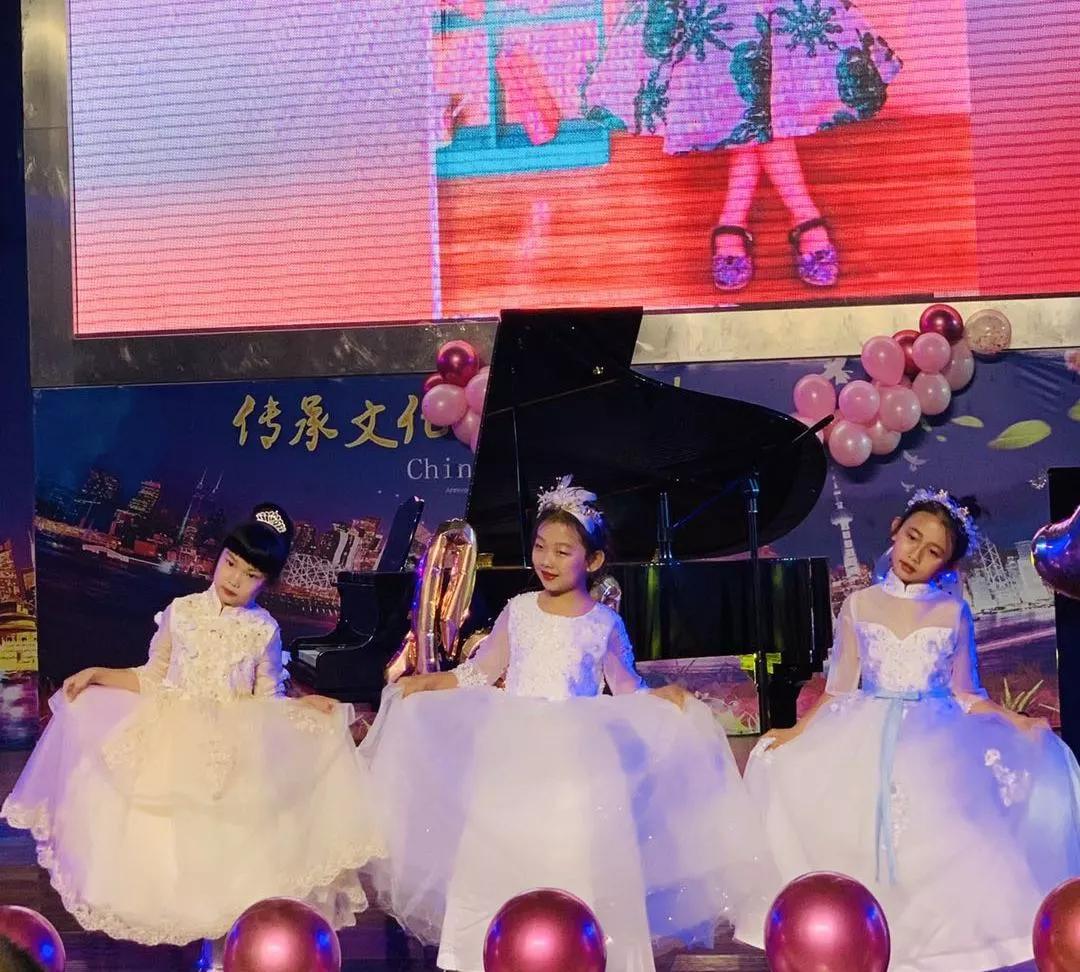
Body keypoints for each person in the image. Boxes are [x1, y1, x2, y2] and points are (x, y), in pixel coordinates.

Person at [360, 476, 766, 971]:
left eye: (563, 551)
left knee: (574, 849)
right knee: (497, 846)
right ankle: (483, 951)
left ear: (592, 561)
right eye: (540, 546)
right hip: (513, 749)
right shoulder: (519, 610)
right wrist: (431, 682)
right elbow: (481, 671)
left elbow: (626, 687)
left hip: (579, 757)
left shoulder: (604, 623)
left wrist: (659, 697)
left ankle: (580, 949)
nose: (547, 560)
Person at [1, 504, 382, 969]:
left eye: (252, 575)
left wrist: (303, 707)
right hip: (172, 745)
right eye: (231, 564)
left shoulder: (263, 629)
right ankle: (195, 951)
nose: (235, 579)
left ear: (267, 583)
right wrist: (98, 673)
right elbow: (152, 675)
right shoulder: (181, 612)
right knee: (170, 850)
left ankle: (224, 956)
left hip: (233, 755)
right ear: (218, 558)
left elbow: (268, 699)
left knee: (232, 859)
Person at [741, 488, 1080, 970]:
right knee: (850, 829)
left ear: (945, 565)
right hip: (863, 731)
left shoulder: (952, 611)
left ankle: (944, 946)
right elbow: (838, 689)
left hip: (936, 737)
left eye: (933, 551)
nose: (916, 554)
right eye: (913, 537)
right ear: (896, 529)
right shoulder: (858, 603)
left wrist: (1017, 720)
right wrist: (794, 734)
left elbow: (967, 693)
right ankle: (854, 935)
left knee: (948, 832)